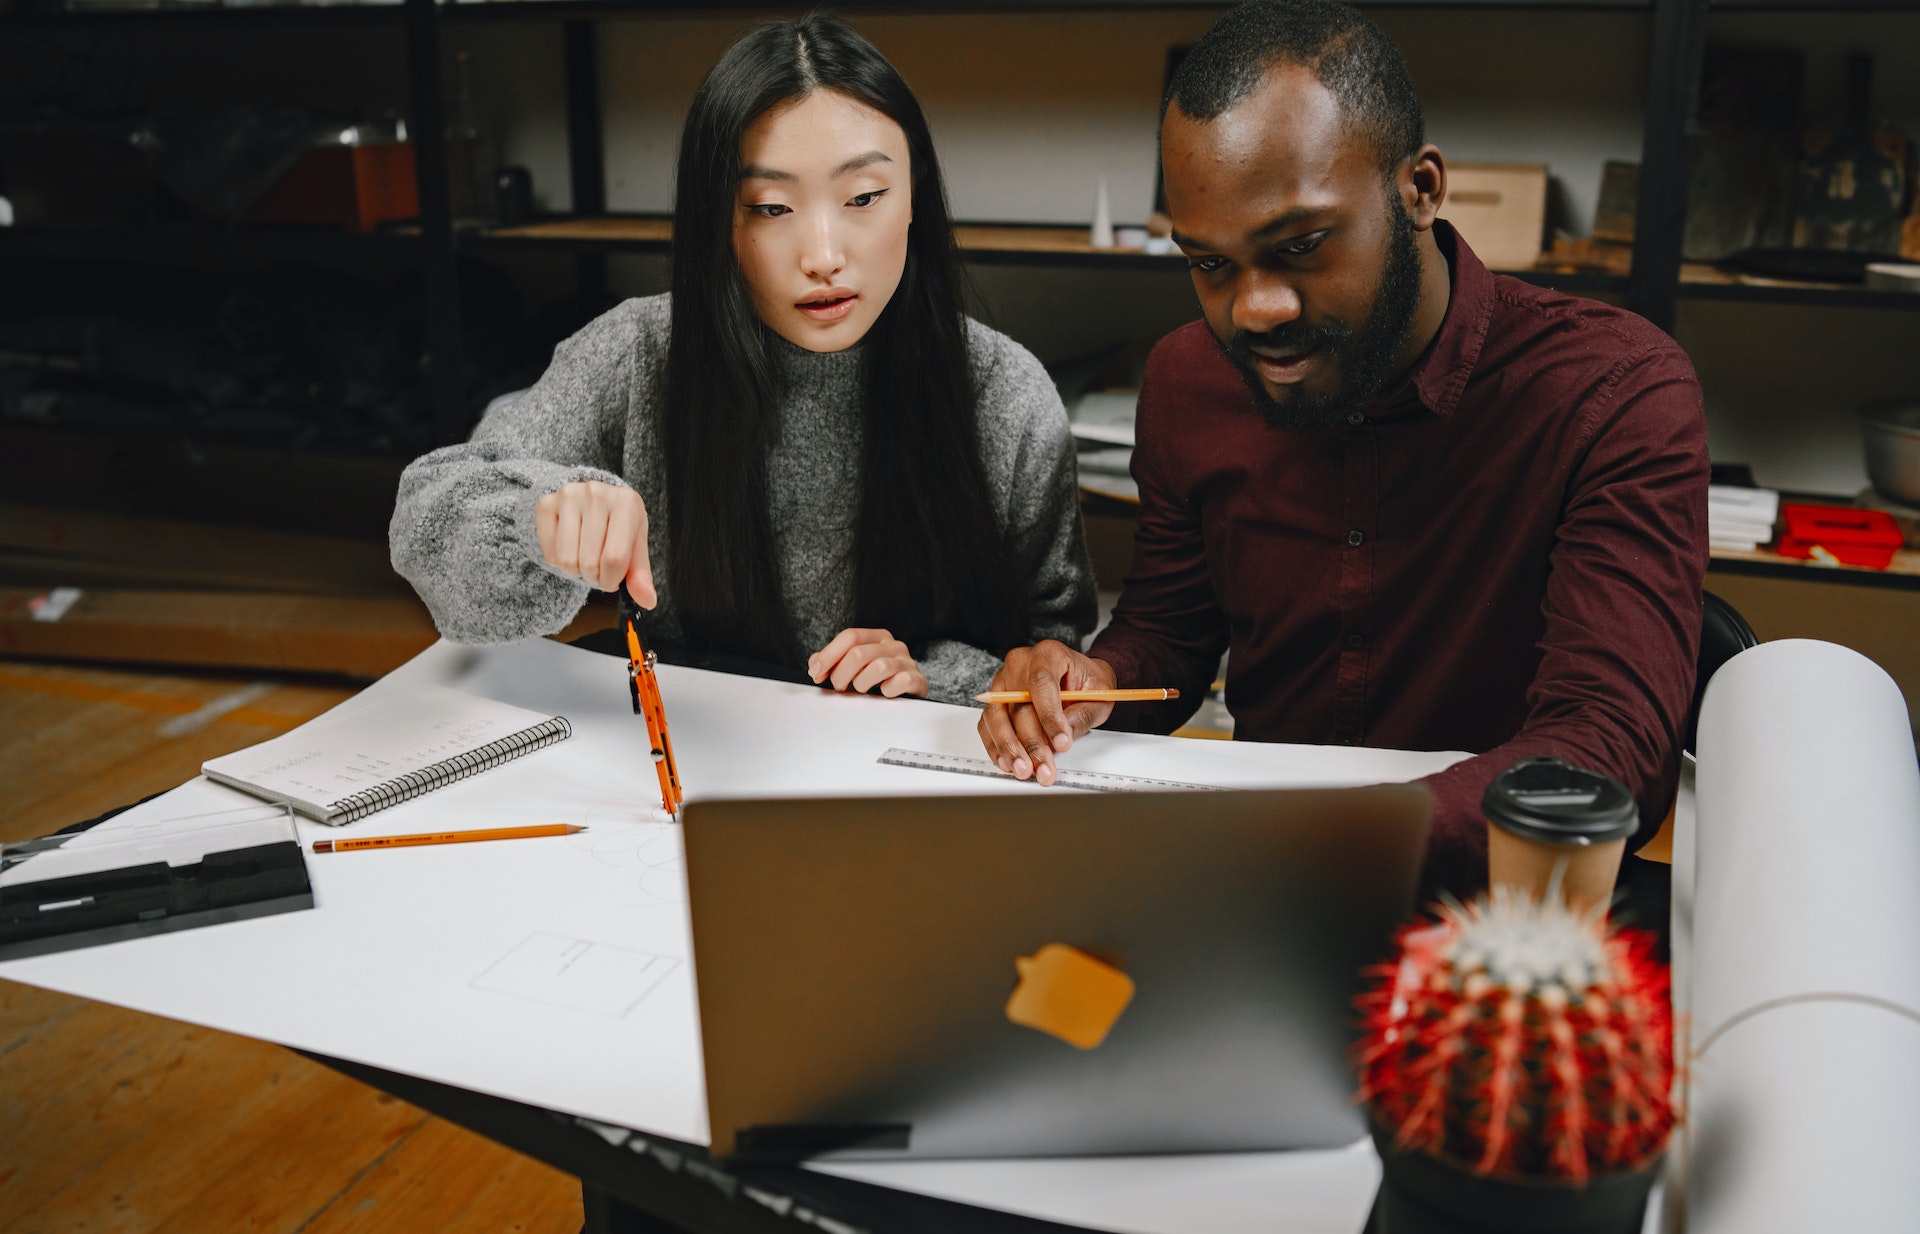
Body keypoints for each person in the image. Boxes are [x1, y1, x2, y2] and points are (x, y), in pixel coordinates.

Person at [978, 0, 1708, 891]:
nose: (1256, 310)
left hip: (1505, 910)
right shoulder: (1187, 380)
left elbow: (1605, 746)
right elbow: (1171, 638)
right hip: (1265, 883)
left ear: (1422, 191)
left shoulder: (1612, 389)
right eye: (1210, 264)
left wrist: (1314, 841)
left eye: (1302, 246)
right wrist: (1094, 679)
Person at [391, 14, 1095, 706]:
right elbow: (430, 518)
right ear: (717, 221)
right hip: (684, 771)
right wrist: (538, 519)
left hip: (900, 787)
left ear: (916, 200)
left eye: (865, 198)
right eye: (770, 208)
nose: (823, 256)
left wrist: (930, 678)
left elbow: (1051, 656)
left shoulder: (1004, 392)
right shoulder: (639, 353)